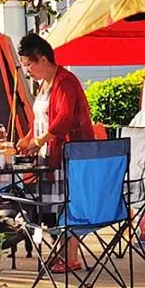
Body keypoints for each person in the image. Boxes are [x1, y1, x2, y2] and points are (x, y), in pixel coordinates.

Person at [17, 32, 94, 273]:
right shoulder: (44, 85)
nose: (27, 70)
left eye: (28, 64)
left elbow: (62, 119)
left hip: (70, 154)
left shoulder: (65, 81)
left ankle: (71, 257)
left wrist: (39, 140)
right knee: (53, 205)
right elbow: (39, 121)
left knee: (67, 204)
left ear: (42, 59)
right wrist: (28, 139)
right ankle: (61, 253)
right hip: (50, 154)